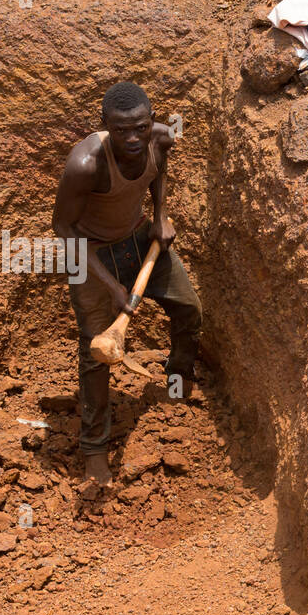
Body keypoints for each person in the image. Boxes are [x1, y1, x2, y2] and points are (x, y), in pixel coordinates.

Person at [52, 81, 201, 485]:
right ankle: (95, 449)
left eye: (139, 127)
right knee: (95, 350)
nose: (132, 138)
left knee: (188, 307)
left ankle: (177, 377)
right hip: (92, 255)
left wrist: (161, 216)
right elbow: (63, 228)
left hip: (139, 239)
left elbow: (159, 171)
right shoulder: (86, 164)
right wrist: (113, 286)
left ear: (151, 120)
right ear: (104, 125)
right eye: (121, 130)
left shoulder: (161, 138)